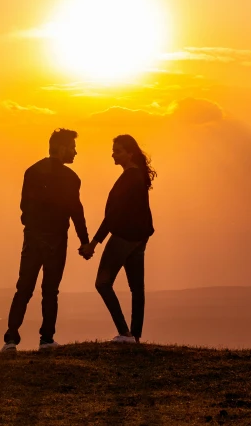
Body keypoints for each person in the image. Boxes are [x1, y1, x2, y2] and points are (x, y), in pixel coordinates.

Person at [2, 128, 90, 351]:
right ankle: (46, 339)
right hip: (57, 240)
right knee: (50, 291)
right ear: (62, 148)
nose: (75, 152)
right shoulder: (71, 179)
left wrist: (32, 229)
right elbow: (76, 211)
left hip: (32, 238)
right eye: (72, 147)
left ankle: (11, 338)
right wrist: (84, 241)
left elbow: (24, 207)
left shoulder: (32, 171)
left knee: (24, 288)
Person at [79, 134, 155, 344]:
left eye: (118, 150)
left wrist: (93, 243)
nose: (113, 154)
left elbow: (113, 215)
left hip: (124, 237)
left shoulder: (129, 178)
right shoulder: (138, 175)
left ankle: (125, 332)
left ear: (130, 153)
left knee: (102, 283)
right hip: (139, 238)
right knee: (137, 288)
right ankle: (135, 335)